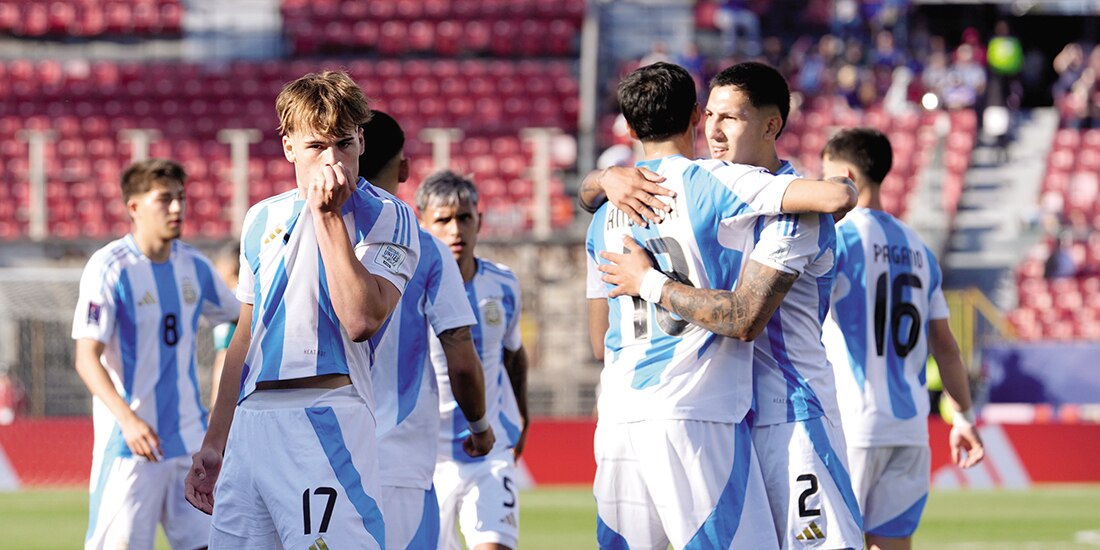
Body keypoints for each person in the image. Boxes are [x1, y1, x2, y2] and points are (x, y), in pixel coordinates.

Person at [583, 62, 864, 548]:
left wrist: (647, 280)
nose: (713, 130)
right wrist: (605, 176)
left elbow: (744, 317)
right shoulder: (707, 189)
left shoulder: (788, 211)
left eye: (729, 118)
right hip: (720, 413)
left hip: (788, 416)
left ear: (771, 125)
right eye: (710, 115)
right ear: (694, 116)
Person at [185, 71, 421, 549]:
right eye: (316, 147)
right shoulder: (261, 218)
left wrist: (328, 216)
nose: (332, 160)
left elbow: (361, 320)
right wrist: (215, 441)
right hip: (252, 424)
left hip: (326, 417)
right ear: (289, 147)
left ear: (361, 140)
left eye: (344, 144)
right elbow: (246, 337)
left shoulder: (389, 216)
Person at [820, 128, 985, 550]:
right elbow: (946, 346)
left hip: (853, 424)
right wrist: (963, 417)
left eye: (826, 178)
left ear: (848, 177)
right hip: (910, 428)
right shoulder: (919, 249)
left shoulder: (835, 240)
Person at [71, 158, 239, 550]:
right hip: (132, 447)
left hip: (189, 442)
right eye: (165, 200)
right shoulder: (110, 267)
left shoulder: (194, 266)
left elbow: (244, 319)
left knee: (209, 544)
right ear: (134, 208)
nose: (178, 208)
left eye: (181, 198)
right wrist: (128, 420)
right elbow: (85, 357)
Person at [358, 111, 496, 549]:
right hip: (398, 453)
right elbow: (460, 352)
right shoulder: (427, 250)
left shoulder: (316, 233)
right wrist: (479, 426)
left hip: (323, 446)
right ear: (403, 168)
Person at [415, 170, 529, 550]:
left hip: (490, 451)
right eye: (443, 220)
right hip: (426, 459)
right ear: (423, 225)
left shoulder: (504, 284)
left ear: (479, 220)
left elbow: (514, 357)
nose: (455, 230)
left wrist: (523, 419)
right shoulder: (406, 292)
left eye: (464, 218)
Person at [208, 240, 239, 406]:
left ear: (229, 268)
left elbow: (224, 358)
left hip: (232, 402)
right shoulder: (258, 301)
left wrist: (215, 408)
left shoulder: (229, 306)